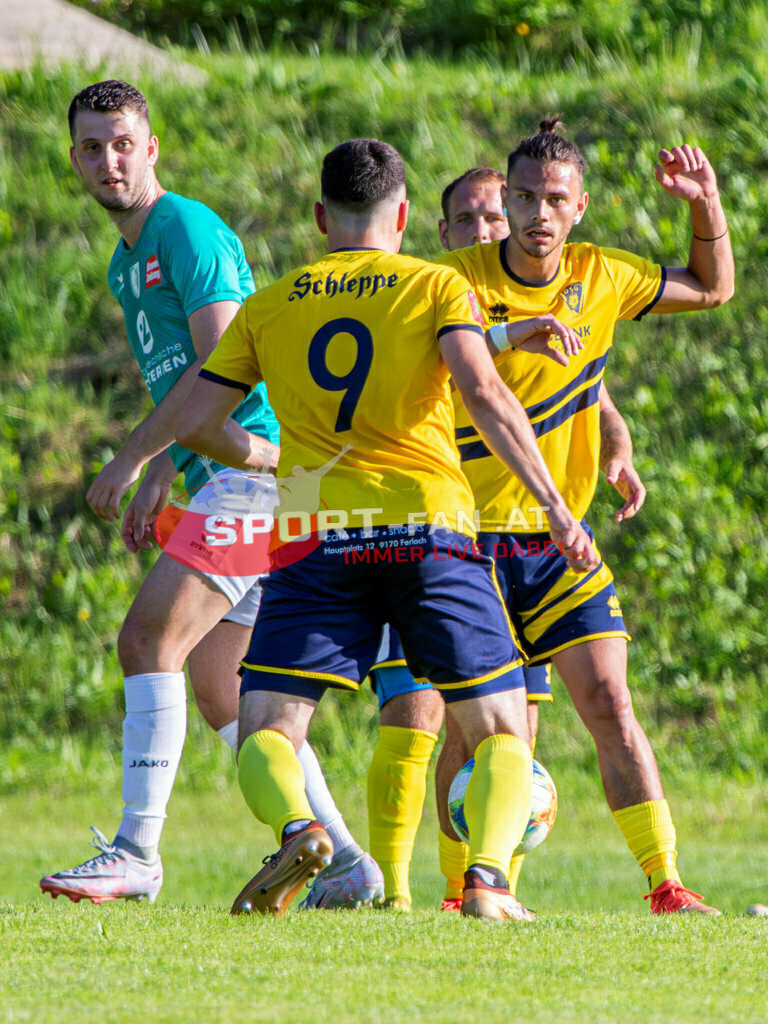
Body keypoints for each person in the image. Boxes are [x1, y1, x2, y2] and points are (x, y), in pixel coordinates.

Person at [175, 137, 599, 921]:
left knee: (269, 724)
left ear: (319, 217)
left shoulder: (272, 304)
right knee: (502, 725)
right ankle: (488, 885)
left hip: (314, 534)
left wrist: (266, 453)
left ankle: (299, 827)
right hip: (427, 525)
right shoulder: (436, 284)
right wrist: (557, 507)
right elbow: (482, 392)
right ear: (404, 215)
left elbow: (199, 422)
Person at [40, 81, 381, 908]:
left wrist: (132, 455)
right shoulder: (130, 260)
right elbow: (190, 390)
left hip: (261, 478)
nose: (108, 159)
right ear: (75, 159)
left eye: (123, 142)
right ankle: (344, 865)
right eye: (92, 146)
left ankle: (137, 854)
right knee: (226, 688)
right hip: (240, 473)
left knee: (146, 640)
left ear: (152, 147)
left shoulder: (183, 228)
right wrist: (166, 465)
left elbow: (223, 365)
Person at [435, 119, 733, 915]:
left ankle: (666, 883)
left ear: (580, 208)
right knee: (480, 732)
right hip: (465, 540)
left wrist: (706, 207)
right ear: (506, 196)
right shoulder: (453, 282)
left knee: (609, 702)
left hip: (559, 544)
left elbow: (712, 289)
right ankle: (462, 889)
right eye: (523, 197)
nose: (536, 213)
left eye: (553, 200)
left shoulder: (604, 277)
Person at [365, 165, 646, 912]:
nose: (490, 231)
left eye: (498, 217)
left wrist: (614, 441)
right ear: (443, 233)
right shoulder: (432, 293)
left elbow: (594, 388)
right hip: (440, 530)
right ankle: (395, 892)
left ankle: (491, 890)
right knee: (415, 709)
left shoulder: (534, 295)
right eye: (472, 220)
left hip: (535, 543)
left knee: (513, 723)